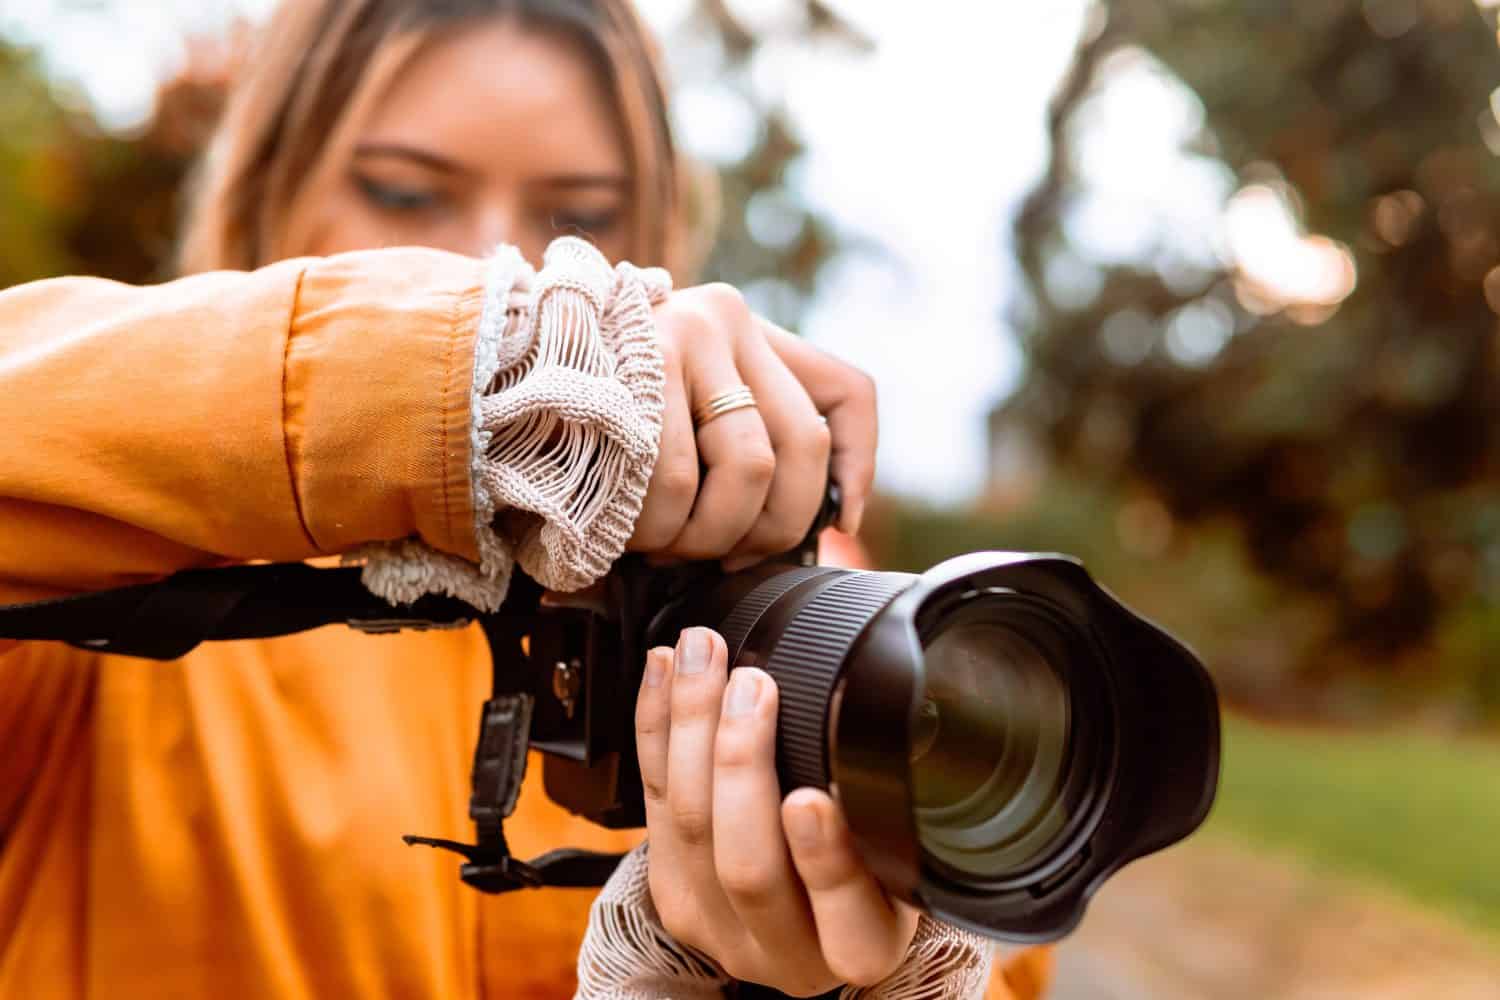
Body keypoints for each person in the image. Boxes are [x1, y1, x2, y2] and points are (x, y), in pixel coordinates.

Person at [0, 1, 1049, 996]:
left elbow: (1014, 930)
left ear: (658, 237)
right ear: (271, 193)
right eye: (406, 193)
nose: (499, 261)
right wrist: (473, 365)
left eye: (578, 216)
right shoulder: (95, 592)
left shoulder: (797, 602)